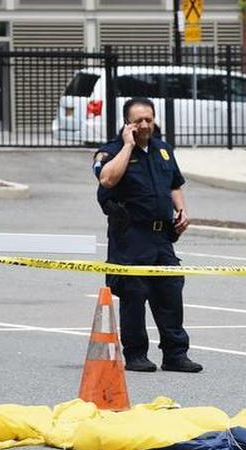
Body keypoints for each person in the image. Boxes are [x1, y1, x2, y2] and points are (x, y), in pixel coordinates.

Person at [92, 97, 202, 373]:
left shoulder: (163, 151)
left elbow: (174, 185)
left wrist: (181, 211)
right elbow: (106, 180)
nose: (144, 125)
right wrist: (128, 146)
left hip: (161, 236)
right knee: (134, 293)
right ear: (127, 123)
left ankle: (175, 354)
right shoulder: (111, 151)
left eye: (148, 120)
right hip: (131, 235)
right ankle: (136, 353)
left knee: (170, 291)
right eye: (138, 120)